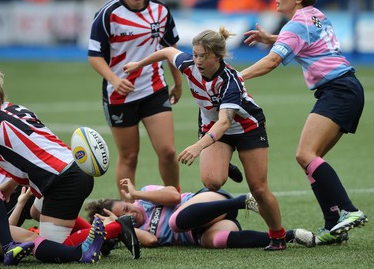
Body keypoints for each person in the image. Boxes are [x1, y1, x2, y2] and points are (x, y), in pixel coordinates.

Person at [123, 27, 288, 250]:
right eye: (195, 55)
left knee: (258, 189)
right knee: (212, 182)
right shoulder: (189, 65)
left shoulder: (231, 82)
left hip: (247, 128)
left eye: (204, 56)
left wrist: (198, 147)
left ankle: (278, 236)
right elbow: (167, 52)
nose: (198, 61)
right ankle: (224, 160)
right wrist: (138, 65)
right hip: (212, 127)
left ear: (217, 56)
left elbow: (224, 123)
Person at [241, 0, 368, 245]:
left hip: (337, 91)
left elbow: (272, 62)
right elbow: (302, 38)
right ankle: (333, 225)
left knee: (305, 154)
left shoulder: (296, 24)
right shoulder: (315, 15)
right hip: (348, 88)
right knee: (311, 159)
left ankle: (349, 210)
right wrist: (272, 37)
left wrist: (237, 77)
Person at [0, 66, 96, 245]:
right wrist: (10, 184)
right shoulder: (13, 108)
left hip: (62, 181)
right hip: (75, 167)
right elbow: (33, 151)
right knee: (35, 212)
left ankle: (113, 229)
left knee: (48, 247)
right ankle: (101, 235)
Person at [87, 0, 181, 200]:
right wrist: (114, 79)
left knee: (168, 152)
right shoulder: (108, 14)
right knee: (129, 156)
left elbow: (172, 51)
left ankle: (175, 201)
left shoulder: (160, 10)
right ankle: (128, 212)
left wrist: (178, 84)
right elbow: (94, 55)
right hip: (119, 95)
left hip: (154, 89)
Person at [86, 178, 316, 249]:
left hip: (211, 203)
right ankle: (290, 235)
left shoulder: (144, 196)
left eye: (127, 208)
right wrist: (122, 225)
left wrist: (138, 194)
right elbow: (152, 240)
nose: (132, 213)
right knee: (214, 241)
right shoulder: (137, 231)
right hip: (203, 231)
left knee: (176, 221)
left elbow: (174, 197)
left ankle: (242, 201)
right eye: (125, 216)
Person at [0, 181, 106, 264]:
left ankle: (80, 255)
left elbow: (5, 228)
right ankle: (8, 246)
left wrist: (20, 204)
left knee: (30, 238)